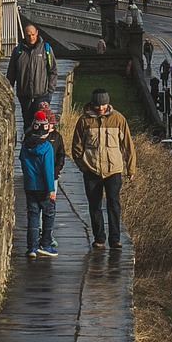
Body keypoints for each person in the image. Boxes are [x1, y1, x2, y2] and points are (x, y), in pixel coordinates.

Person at [70, 88, 136, 248]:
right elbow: (76, 146)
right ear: (92, 104)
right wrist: (83, 167)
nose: (101, 108)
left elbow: (128, 145)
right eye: (98, 105)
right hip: (91, 170)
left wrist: (131, 168)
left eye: (104, 105)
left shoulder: (118, 119)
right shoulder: (84, 121)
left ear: (108, 103)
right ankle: (99, 238)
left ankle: (115, 239)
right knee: (95, 206)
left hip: (113, 170)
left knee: (114, 204)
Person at [19, 109, 62, 258]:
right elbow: (48, 170)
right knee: (49, 214)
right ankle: (46, 244)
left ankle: (32, 247)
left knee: (33, 215)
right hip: (44, 187)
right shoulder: (47, 148)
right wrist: (51, 189)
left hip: (30, 185)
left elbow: (22, 162)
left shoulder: (25, 145)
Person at [7, 22, 57, 123]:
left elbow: (52, 70)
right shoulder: (18, 51)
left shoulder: (45, 49)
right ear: (24, 36)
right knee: (27, 122)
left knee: (40, 122)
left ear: (37, 33)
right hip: (24, 95)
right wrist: (8, 90)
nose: (31, 38)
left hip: (42, 94)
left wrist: (50, 90)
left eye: (33, 35)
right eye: (28, 35)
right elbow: (11, 73)